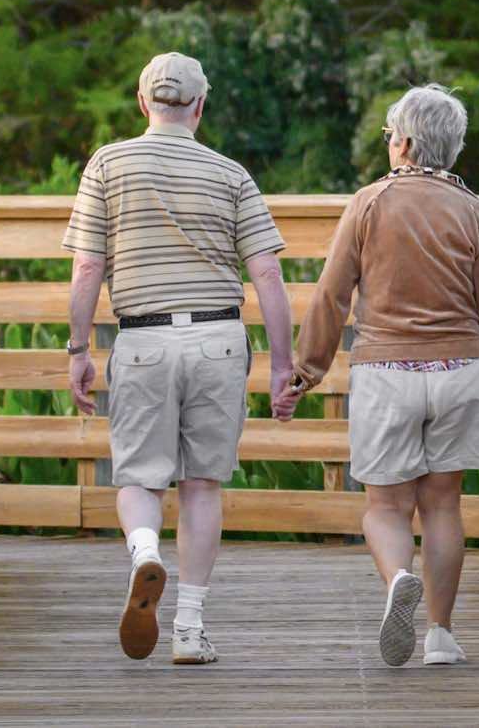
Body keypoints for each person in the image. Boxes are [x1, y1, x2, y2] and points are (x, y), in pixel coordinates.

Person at [63, 52, 298, 665]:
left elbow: (88, 264)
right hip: (219, 341)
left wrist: (78, 348)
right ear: (199, 106)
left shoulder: (108, 164)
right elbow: (268, 272)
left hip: (142, 340)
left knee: (140, 477)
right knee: (201, 486)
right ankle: (190, 630)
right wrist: (281, 364)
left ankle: (144, 551)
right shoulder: (231, 174)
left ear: (144, 104)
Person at [275, 84, 479, 667]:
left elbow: (333, 295)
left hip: (387, 370)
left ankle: (395, 583)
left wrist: (305, 371)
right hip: (460, 370)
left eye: (391, 136)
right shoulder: (471, 209)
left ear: (405, 143)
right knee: (443, 506)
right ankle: (440, 634)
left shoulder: (368, 203)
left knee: (385, 506)